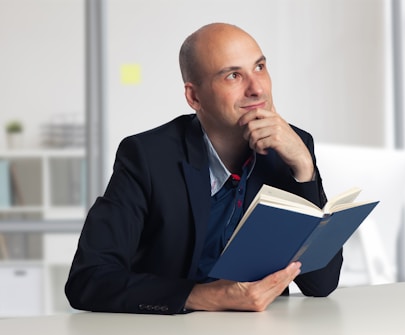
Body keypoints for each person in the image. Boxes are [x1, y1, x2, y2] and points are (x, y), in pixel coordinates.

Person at [65, 22, 343, 315]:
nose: (257, 88)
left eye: (260, 67)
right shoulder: (147, 156)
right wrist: (205, 296)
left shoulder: (291, 146)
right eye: (233, 75)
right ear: (194, 97)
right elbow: (88, 280)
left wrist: (303, 168)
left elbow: (321, 282)